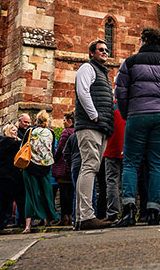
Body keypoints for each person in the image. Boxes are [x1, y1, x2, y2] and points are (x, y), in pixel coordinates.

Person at [112, 27, 160, 227]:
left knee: (130, 163)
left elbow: (120, 92)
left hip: (137, 115)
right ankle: (153, 211)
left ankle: (128, 211)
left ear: (144, 40)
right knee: (157, 164)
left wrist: (127, 113)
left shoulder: (130, 62)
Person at [73, 39, 115, 230]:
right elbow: (82, 91)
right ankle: (85, 216)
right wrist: (94, 115)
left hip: (101, 127)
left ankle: (83, 217)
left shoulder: (103, 74)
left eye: (106, 49)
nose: (105, 52)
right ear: (92, 53)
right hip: (90, 125)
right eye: (100, 50)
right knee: (89, 167)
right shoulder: (87, 68)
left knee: (91, 168)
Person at [23, 110, 59, 233]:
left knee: (30, 195)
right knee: (46, 193)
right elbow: (53, 150)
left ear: (36, 121)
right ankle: (47, 220)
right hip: (45, 166)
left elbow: (23, 147)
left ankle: (27, 225)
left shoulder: (30, 131)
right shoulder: (51, 132)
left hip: (30, 166)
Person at [0, 124, 24, 235]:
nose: (16, 132)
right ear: (8, 131)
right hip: (5, 177)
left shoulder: (5, 143)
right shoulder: (7, 142)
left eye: (16, 130)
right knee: (4, 201)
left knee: (16, 199)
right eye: (14, 130)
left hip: (7, 177)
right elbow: (21, 146)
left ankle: (20, 221)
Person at [102, 104, 125, 221]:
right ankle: (128, 210)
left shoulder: (110, 107)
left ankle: (112, 213)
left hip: (111, 148)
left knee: (112, 181)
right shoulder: (129, 106)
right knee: (127, 180)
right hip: (126, 148)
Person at [52, 113, 75, 226]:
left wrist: (54, 159)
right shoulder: (77, 131)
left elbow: (61, 148)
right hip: (73, 164)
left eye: (65, 120)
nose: (63, 122)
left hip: (63, 165)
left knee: (64, 193)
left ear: (70, 120)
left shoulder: (66, 132)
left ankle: (64, 217)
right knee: (70, 192)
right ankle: (70, 216)